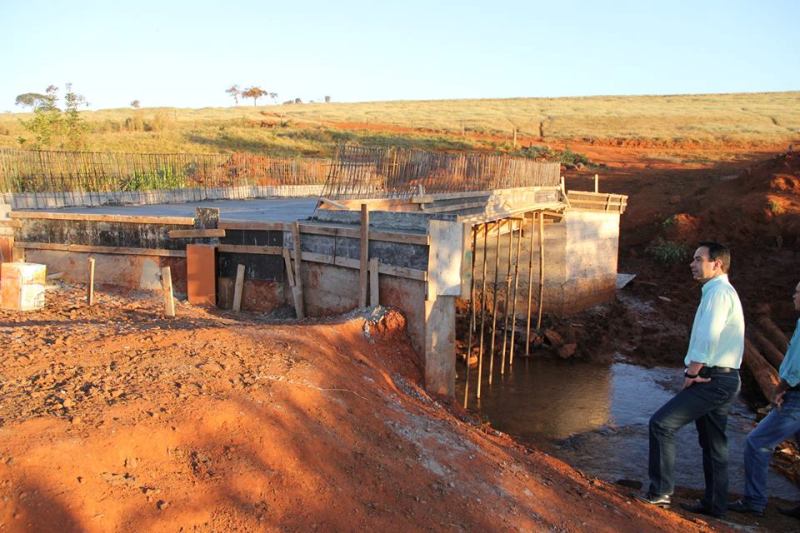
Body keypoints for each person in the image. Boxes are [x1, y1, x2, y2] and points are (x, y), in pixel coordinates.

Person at [639, 241, 745, 519]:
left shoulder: (718, 293)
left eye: (699, 259)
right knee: (713, 444)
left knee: (661, 424)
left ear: (717, 264)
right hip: (725, 378)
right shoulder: (721, 291)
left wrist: (692, 372)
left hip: (712, 379)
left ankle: (660, 493)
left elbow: (709, 336)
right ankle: (715, 504)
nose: (692, 264)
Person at [728, 281, 800, 519]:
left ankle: (754, 501)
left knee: (757, 442)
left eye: (797, 292)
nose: (793, 296)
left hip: (796, 397)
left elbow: (796, 367)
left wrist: (781, 387)